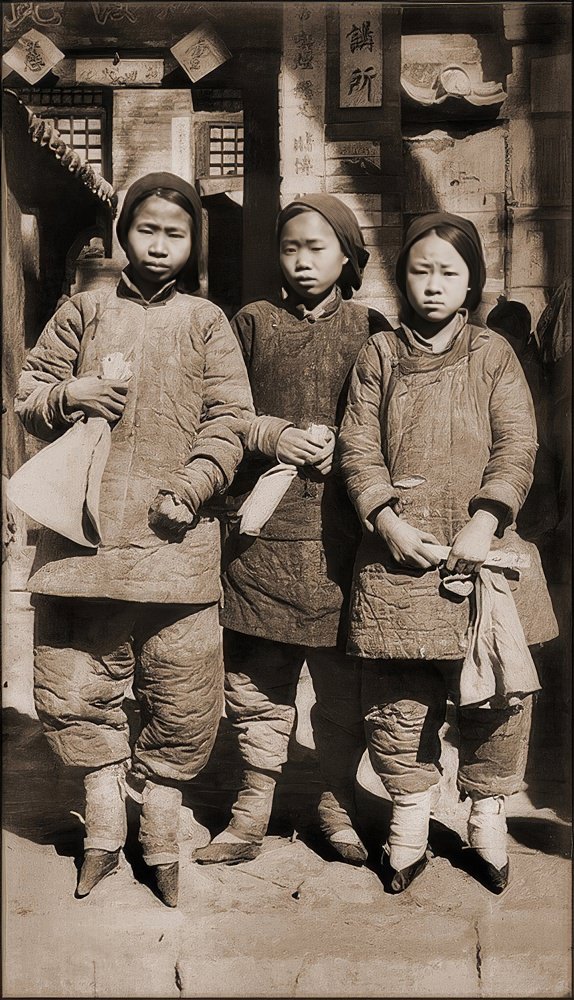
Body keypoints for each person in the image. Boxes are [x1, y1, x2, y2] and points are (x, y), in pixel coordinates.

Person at [14, 172, 253, 907]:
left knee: (182, 689)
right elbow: (27, 396)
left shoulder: (206, 320)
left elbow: (230, 419)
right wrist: (69, 395)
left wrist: (195, 485)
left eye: (174, 234)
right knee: (71, 681)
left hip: (174, 542)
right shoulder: (81, 310)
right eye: (146, 229)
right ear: (124, 235)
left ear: (192, 244)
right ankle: (102, 828)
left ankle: (161, 828)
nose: (159, 245)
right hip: (81, 542)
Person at [338, 212, 558, 895]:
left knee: (495, 697)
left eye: (449, 272)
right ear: (403, 277)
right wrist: (385, 520)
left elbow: (517, 444)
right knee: (398, 700)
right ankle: (409, 817)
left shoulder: (494, 353)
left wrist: (487, 521)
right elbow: (357, 446)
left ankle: (486, 816)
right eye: (420, 270)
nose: (433, 286)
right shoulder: (378, 354)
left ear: (472, 282)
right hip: (399, 553)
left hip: (480, 551)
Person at [195, 194, 391, 866]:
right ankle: (250, 813)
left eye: (318, 247)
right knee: (255, 685)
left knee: (341, 691)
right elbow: (220, 413)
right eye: (290, 248)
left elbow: (395, 420)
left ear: (347, 255)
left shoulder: (374, 328)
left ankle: (337, 807)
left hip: (344, 543)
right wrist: (271, 434)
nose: (303, 262)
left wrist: (356, 448)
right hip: (261, 540)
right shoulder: (250, 322)